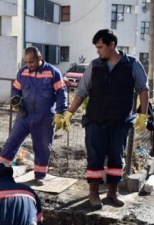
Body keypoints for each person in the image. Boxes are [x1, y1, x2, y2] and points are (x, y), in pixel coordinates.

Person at [63, 29, 149, 208]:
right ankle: (93, 193)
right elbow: (81, 92)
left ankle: (112, 192)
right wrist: (69, 113)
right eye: (96, 48)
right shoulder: (94, 66)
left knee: (116, 159)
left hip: (120, 122)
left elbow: (143, 88)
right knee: (95, 158)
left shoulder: (132, 64)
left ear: (112, 45)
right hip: (96, 121)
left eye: (101, 47)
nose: (98, 51)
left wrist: (143, 114)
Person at [0, 46, 68, 186]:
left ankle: (39, 175)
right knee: (12, 141)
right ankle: (0, 172)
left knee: (42, 147)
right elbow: (16, 89)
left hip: (45, 117)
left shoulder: (53, 72)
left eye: (31, 62)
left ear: (39, 59)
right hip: (25, 115)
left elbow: (61, 93)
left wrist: (61, 113)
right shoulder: (23, 72)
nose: (29, 65)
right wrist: (16, 99)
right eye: (26, 62)